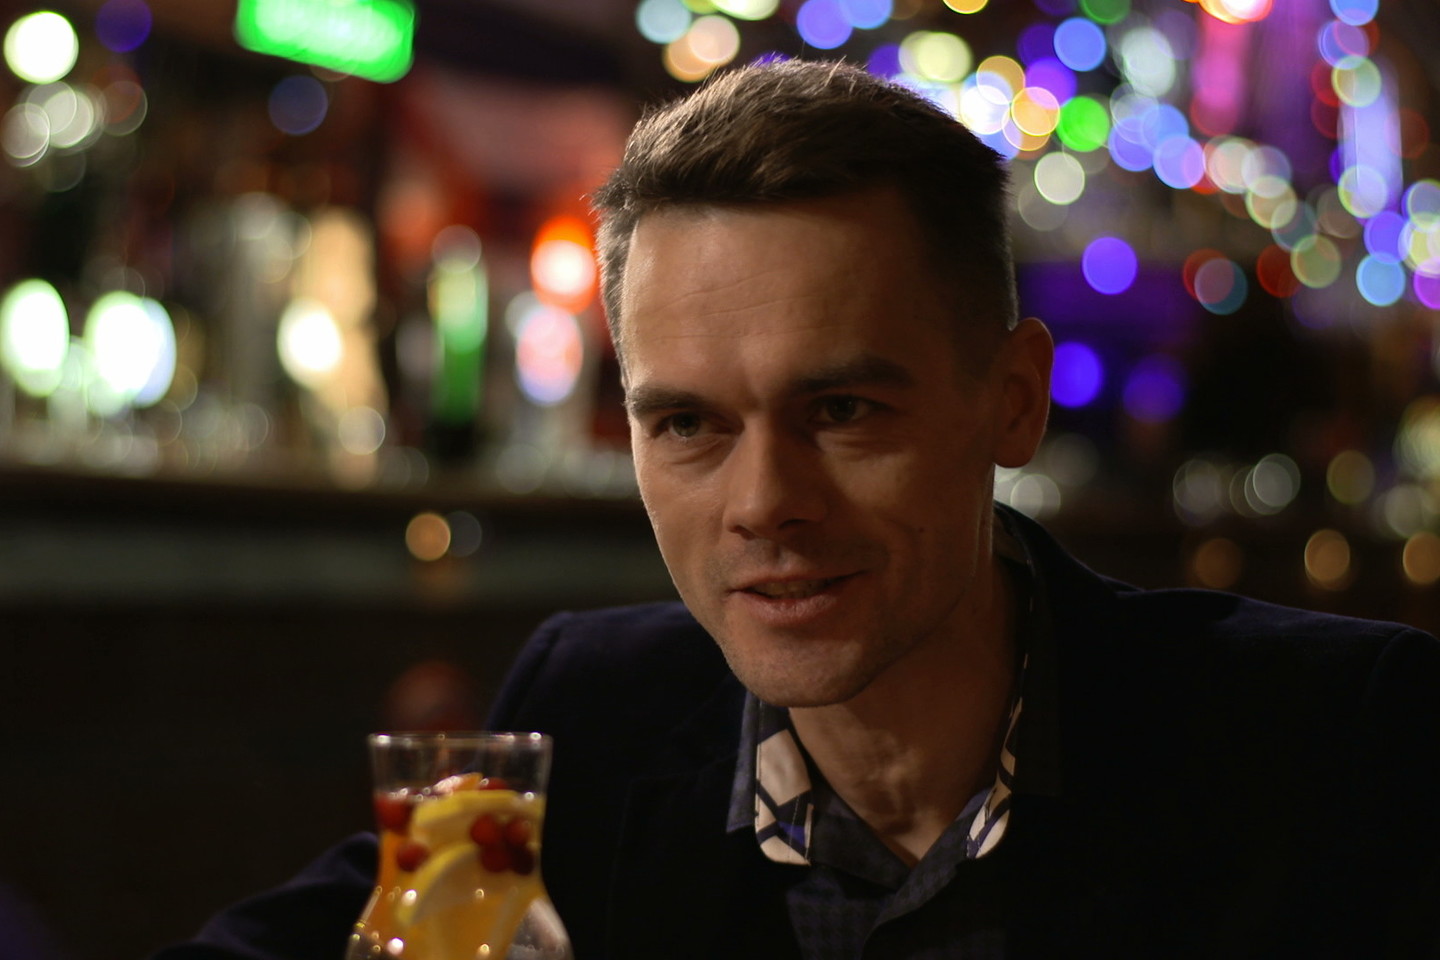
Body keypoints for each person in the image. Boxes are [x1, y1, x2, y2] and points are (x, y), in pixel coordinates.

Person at [153, 60, 1440, 959]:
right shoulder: (590, 715)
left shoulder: (1337, 746)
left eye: (843, 411)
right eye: (688, 424)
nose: (765, 504)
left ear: (1011, 403)